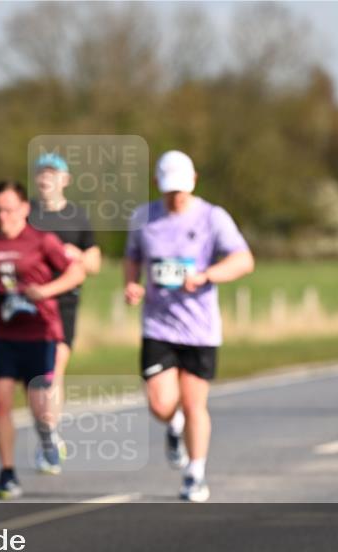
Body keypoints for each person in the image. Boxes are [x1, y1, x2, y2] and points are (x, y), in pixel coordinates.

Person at [124, 150, 254, 502]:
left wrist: (208, 275)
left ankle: (195, 473)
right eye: (169, 190)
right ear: (157, 185)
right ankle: (173, 423)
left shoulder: (213, 217)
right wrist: (132, 284)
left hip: (199, 327)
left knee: (196, 402)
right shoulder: (143, 218)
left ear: (194, 181)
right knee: (160, 403)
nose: (175, 197)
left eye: (180, 189)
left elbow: (243, 259)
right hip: (158, 325)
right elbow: (132, 256)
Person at [0, 181, 86, 499]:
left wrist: (46, 291)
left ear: (23, 209)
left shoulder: (42, 241)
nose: (2, 215)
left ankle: (47, 433)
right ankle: (7, 473)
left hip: (40, 333)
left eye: (8, 209)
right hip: (2, 335)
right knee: (0, 401)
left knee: (42, 406)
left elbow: (76, 273)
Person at [28, 153, 101, 470]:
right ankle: (46, 432)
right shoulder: (26, 215)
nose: (46, 178)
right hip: (30, 304)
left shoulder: (78, 218)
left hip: (64, 304)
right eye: (42, 172)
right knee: (32, 377)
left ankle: (50, 436)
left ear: (65, 180)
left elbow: (95, 263)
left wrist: (75, 256)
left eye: (53, 173)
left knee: (52, 371)